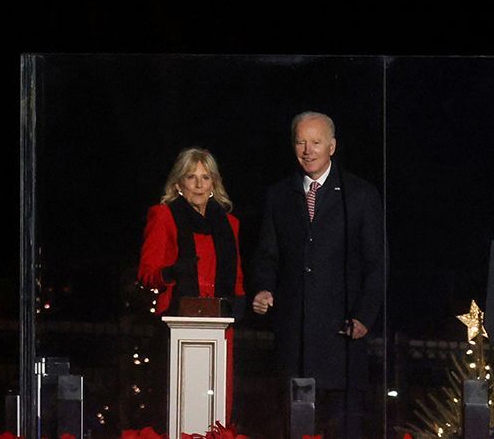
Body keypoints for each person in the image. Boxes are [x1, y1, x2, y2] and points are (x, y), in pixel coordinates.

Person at [250, 110, 385, 439]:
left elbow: (377, 263)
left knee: (342, 427)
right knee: (292, 425)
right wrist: (264, 288)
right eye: (300, 142)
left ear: (332, 146)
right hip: (293, 337)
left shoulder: (361, 195)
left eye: (316, 142)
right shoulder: (278, 195)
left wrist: (365, 316)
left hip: (342, 336)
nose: (308, 150)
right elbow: (268, 255)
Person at [139, 146, 245, 313]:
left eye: (205, 177)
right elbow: (146, 274)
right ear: (179, 185)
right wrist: (170, 273)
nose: (199, 185)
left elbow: (237, 277)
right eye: (191, 177)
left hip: (220, 318)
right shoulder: (163, 216)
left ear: (213, 184)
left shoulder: (229, 223)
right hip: (176, 316)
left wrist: (238, 305)